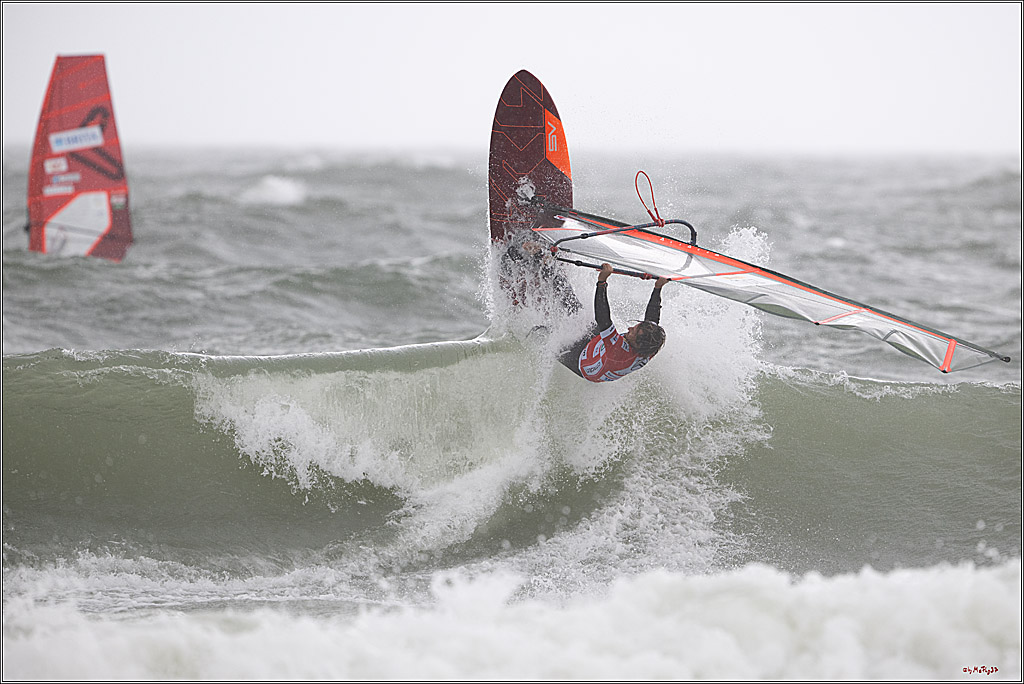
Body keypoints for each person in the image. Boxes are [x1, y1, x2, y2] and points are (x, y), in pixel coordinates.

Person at [560, 263, 668, 383]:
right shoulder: (650, 347)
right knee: (573, 308)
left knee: (543, 333)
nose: (629, 328)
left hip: (579, 360)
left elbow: (602, 318)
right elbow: (652, 319)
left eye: (633, 332)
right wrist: (658, 288)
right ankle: (551, 270)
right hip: (598, 346)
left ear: (637, 344)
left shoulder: (617, 354)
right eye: (635, 327)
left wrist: (602, 282)